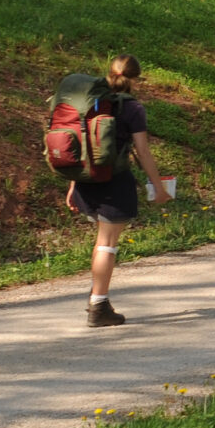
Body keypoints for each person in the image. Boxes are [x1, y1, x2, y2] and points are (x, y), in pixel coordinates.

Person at [65, 53, 167, 328]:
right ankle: (99, 305)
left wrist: (73, 185)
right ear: (135, 80)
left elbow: (81, 143)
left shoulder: (92, 102)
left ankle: (97, 297)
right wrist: (158, 187)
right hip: (114, 181)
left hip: (86, 181)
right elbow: (143, 152)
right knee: (107, 244)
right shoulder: (132, 108)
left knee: (101, 241)